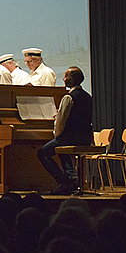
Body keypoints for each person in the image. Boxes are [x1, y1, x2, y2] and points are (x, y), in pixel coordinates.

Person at [37, 66, 93, 195]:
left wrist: (57, 135)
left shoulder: (68, 97)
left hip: (70, 137)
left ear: (72, 80)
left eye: (66, 76)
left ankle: (64, 181)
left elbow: (61, 121)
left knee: (43, 153)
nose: (63, 79)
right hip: (85, 138)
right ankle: (71, 176)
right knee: (61, 148)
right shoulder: (87, 96)